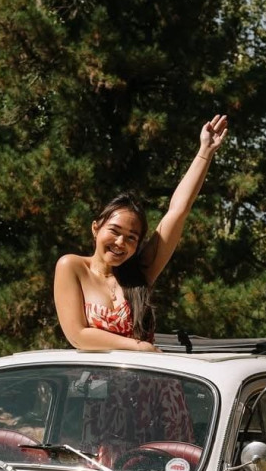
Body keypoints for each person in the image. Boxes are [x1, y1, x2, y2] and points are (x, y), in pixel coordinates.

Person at [54, 114, 228, 350]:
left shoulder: (139, 272)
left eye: (131, 238)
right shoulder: (71, 266)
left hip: (153, 384)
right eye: (114, 231)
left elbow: (177, 211)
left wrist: (205, 152)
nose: (120, 242)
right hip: (102, 384)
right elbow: (78, 335)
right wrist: (138, 347)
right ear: (96, 228)